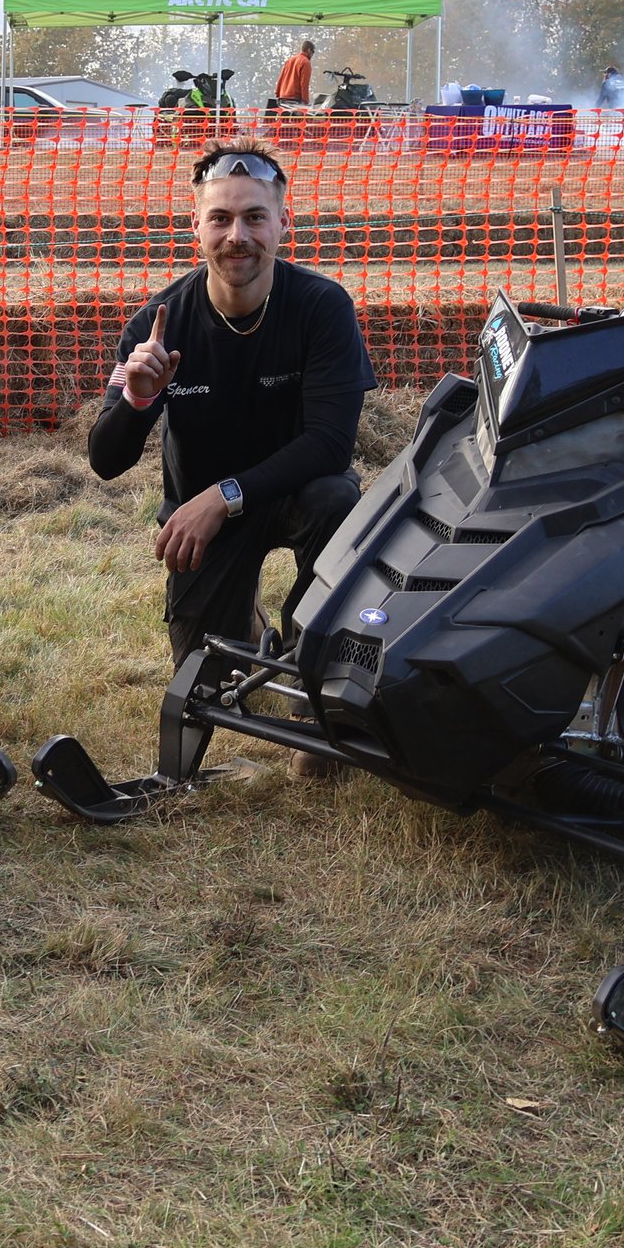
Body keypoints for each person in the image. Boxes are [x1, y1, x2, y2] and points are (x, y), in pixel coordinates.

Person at [87, 137, 376, 773]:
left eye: (253, 217)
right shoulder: (159, 325)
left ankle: (313, 688)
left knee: (338, 499)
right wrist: (136, 400)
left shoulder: (323, 307)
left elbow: (331, 444)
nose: (236, 235)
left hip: (289, 496)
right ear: (196, 226)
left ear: (283, 223)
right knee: (207, 687)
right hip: (200, 518)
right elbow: (104, 461)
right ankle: (245, 628)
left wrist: (223, 497)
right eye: (220, 218)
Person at [270, 40, 316, 114]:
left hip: (282, 100)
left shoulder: (290, 60)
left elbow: (281, 78)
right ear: (309, 50)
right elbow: (304, 84)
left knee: (284, 124)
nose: (312, 55)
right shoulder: (305, 62)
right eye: (313, 52)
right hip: (294, 101)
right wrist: (305, 101)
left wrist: (278, 94)